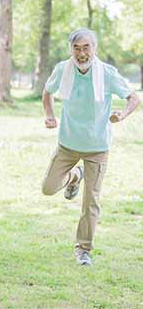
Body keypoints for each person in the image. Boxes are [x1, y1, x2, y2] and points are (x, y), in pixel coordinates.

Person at [41, 28, 140, 266]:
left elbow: (134, 98)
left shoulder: (106, 73)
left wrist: (122, 115)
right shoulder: (62, 69)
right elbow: (47, 92)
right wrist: (49, 115)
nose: (81, 53)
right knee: (48, 187)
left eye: (86, 48)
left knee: (91, 201)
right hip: (68, 144)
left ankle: (83, 249)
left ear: (94, 49)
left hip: (97, 147)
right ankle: (75, 176)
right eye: (77, 48)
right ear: (71, 49)